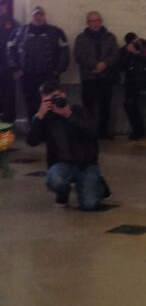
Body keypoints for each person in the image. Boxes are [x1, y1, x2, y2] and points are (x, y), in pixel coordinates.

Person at [26, 79, 108, 210]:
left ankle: (99, 183)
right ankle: (62, 194)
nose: (53, 102)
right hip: (62, 164)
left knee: (90, 205)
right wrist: (39, 117)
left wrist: (68, 115)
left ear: (63, 95)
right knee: (56, 179)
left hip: (86, 164)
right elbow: (31, 141)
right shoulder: (46, 118)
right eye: (48, 100)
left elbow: (93, 131)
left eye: (55, 97)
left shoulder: (79, 111)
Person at [6, 6, 70, 122]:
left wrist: (58, 70)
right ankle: (34, 130)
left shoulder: (56, 32)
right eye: (36, 15)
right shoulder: (20, 32)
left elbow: (64, 52)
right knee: (30, 102)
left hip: (49, 75)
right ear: (32, 16)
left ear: (44, 16)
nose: (38, 17)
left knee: (50, 103)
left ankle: (49, 131)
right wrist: (15, 68)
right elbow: (10, 48)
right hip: (27, 75)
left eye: (41, 15)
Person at [73, 11, 120, 140]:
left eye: (97, 20)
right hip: (89, 77)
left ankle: (103, 131)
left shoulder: (110, 37)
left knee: (105, 106)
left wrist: (104, 64)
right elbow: (79, 56)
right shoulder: (81, 38)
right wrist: (94, 65)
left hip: (106, 77)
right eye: (91, 21)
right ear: (87, 23)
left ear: (101, 21)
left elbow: (115, 54)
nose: (94, 23)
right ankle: (89, 132)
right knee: (88, 107)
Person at [120, 33, 146, 140]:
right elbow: (120, 66)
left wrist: (138, 54)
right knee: (130, 105)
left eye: (136, 41)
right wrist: (128, 53)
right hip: (133, 82)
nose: (136, 43)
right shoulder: (124, 50)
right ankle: (137, 130)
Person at [0, 0, 19, 123]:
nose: (1, 7)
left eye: (2, 4)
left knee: (8, 97)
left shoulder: (12, 23)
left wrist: (17, 66)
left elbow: (19, 43)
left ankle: (7, 127)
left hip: (8, 67)